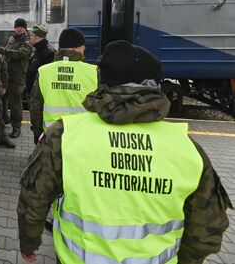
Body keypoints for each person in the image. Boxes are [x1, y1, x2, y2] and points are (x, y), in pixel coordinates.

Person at [18, 40, 232, 264]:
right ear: (155, 86)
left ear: (102, 82)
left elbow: (34, 198)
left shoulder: (64, 135)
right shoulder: (187, 149)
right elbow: (208, 229)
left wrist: (29, 244)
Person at [30, 27, 97, 145]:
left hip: (51, 139)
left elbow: (35, 106)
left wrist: (37, 133)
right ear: (75, 48)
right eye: (83, 45)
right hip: (81, 139)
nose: (85, 48)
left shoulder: (44, 71)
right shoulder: (94, 72)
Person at [0, 18, 33, 138]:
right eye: (17, 27)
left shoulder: (27, 41)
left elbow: (20, 54)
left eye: (21, 27)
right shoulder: (11, 38)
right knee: (3, 98)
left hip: (18, 77)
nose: (18, 29)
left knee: (15, 102)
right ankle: (5, 118)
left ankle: (16, 127)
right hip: (6, 74)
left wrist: (4, 51)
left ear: (25, 28)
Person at [25, 25, 55, 95]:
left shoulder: (49, 52)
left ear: (36, 37)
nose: (30, 38)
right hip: (33, 92)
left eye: (31, 35)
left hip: (41, 93)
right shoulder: (37, 50)